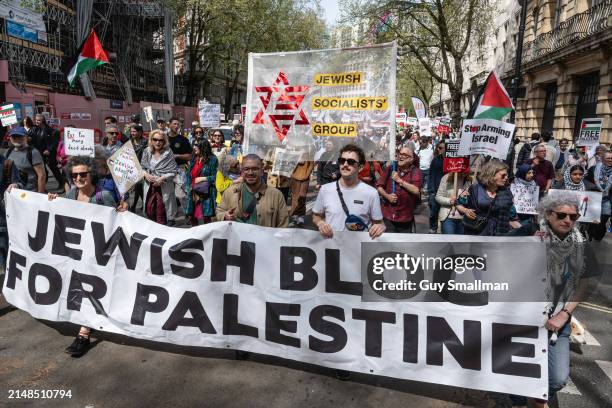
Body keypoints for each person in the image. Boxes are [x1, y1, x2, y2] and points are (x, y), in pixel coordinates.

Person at [47, 156, 123, 357]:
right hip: (78, 253)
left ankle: (83, 334)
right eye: (74, 175)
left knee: (90, 290)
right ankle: (87, 326)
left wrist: (123, 210)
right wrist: (53, 201)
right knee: (81, 289)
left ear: (92, 175)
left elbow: (118, 223)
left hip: (99, 254)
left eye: (83, 174)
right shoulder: (71, 194)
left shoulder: (103, 195)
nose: (79, 178)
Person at [527, 193, 598, 408]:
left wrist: (564, 314)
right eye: (561, 215)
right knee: (519, 370)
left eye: (573, 217)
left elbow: (584, 285)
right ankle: (525, 397)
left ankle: (535, 395)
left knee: (557, 379)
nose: (568, 220)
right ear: (548, 215)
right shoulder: (527, 235)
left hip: (558, 321)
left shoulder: (581, 244)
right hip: (525, 319)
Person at [313, 144, 385, 239]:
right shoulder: (325, 190)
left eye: (351, 162)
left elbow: (379, 223)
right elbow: (316, 216)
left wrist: (380, 227)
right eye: (342, 161)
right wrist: (320, 223)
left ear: (360, 167)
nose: (345, 165)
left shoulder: (371, 193)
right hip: (332, 248)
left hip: (358, 249)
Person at [216, 154, 289, 228]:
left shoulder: (276, 195)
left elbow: (283, 225)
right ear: (242, 171)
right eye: (246, 169)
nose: (250, 172)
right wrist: (225, 215)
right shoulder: (230, 192)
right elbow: (220, 211)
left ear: (262, 171)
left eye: (255, 169)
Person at [457, 160, 521, 236]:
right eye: (503, 175)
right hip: (476, 233)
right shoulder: (474, 189)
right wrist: (465, 210)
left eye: (507, 175)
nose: (506, 178)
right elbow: (459, 204)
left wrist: (527, 232)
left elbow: (512, 218)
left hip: (498, 235)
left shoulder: (507, 193)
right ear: (492, 174)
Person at [375, 146, 421, 233]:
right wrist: (387, 196)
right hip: (388, 215)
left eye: (404, 155)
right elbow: (379, 187)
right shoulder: (390, 169)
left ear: (411, 159)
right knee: (388, 243)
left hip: (405, 217)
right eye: (400, 154)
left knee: (403, 244)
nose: (401, 156)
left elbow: (416, 190)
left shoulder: (415, 172)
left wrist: (399, 180)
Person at [141, 130, 178, 225]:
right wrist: (146, 175)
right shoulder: (147, 151)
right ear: (151, 140)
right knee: (149, 210)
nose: (158, 142)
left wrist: (162, 178)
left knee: (162, 213)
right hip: (150, 186)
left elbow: (173, 171)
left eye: (161, 140)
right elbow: (141, 168)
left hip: (164, 187)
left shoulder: (168, 152)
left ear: (164, 141)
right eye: (155, 139)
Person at [185, 139, 218, 225]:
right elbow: (189, 174)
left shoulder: (213, 159)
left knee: (206, 217)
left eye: (197, 145)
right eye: (194, 145)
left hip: (205, 193)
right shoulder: (194, 158)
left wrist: (204, 178)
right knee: (191, 215)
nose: (194, 147)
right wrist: (188, 187)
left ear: (203, 147)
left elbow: (216, 177)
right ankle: (195, 234)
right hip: (192, 191)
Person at [5, 127, 45, 193]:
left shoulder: (33, 152)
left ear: (26, 137)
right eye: (14, 137)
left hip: (29, 194)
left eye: (20, 137)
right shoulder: (8, 151)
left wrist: (40, 195)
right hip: (12, 193)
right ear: (10, 138)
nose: (17, 139)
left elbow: (42, 176)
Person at [0, 150, 21, 268]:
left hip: (2, 221)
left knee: (4, 257)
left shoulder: (7, 164)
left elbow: (19, 183)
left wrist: (16, 186)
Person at [33, 114, 65, 190]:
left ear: (43, 121)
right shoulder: (35, 129)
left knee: (54, 169)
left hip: (49, 154)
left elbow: (54, 142)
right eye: (36, 120)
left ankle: (62, 183)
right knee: (43, 171)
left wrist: (49, 150)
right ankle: (42, 187)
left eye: (39, 120)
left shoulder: (51, 130)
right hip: (39, 154)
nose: (37, 121)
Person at [586, 151, 612, 240]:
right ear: (603, 159)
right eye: (608, 158)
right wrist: (593, 187)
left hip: (607, 199)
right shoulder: (593, 169)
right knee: (592, 219)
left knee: (603, 219)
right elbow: (586, 181)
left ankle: (598, 235)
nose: (610, 160)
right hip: (594, 197)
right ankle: (589, 234)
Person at [289, 151, 315, 227]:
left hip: (305, 178)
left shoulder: (310, 153)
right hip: (294, 177)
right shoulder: (295, 151)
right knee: (295, 197)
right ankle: (294, 216)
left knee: (302, 197)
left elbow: (311, 165)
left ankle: (300, 216)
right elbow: (290, 163)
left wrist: (307, 175)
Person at [427, 141, 445, 233]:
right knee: (433, 213)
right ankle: (433, 229)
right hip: (435, 191)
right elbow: (431, 175)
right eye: (439, 148)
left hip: (446, 192)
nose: (439, 150)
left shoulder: (451, 161)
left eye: (442, 148)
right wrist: (431, 191)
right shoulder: (435, 159)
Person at [129, 125, 148, 212]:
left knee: (138, 186)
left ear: (140, 132)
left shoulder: (146, 142)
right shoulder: (129, 142)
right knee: (138, 187)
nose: (133, 133)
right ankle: (144, 204)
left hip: (143, 168)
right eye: (132, 131)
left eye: (135, 131)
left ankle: (134, 206)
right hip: (133, 168)